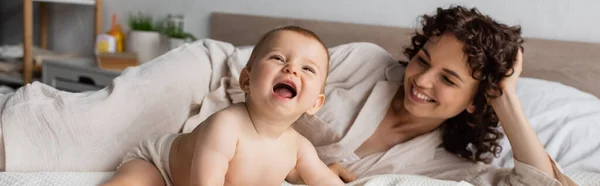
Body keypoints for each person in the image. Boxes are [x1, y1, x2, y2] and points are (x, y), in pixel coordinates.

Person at [287, 5, 577, 186]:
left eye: (448, 79)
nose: (421, 80)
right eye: (423, 60)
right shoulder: (363, 61)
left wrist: (503, 97)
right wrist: (297, 168)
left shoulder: (448, 167)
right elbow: (249, 82)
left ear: (475, 102)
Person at [102, 26, 344, 186]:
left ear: (315, 103)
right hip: (160, 163)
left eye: (308, 68)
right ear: (246, 81)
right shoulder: (226, 126)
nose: (291, 68)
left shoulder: (299, 147)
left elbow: (323, 180)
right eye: (278, 58)